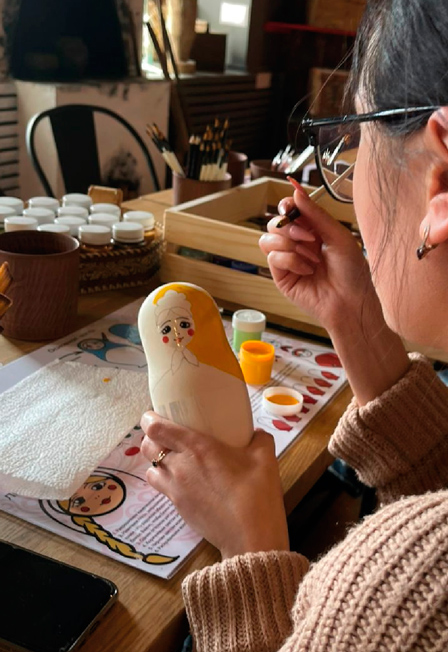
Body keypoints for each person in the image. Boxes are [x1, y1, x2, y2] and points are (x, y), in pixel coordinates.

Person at [141, 0, 448, 649]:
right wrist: (357, 321)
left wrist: (249, 547)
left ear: (440, 176)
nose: (349, 171)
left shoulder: (399, 599)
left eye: (356, 136)